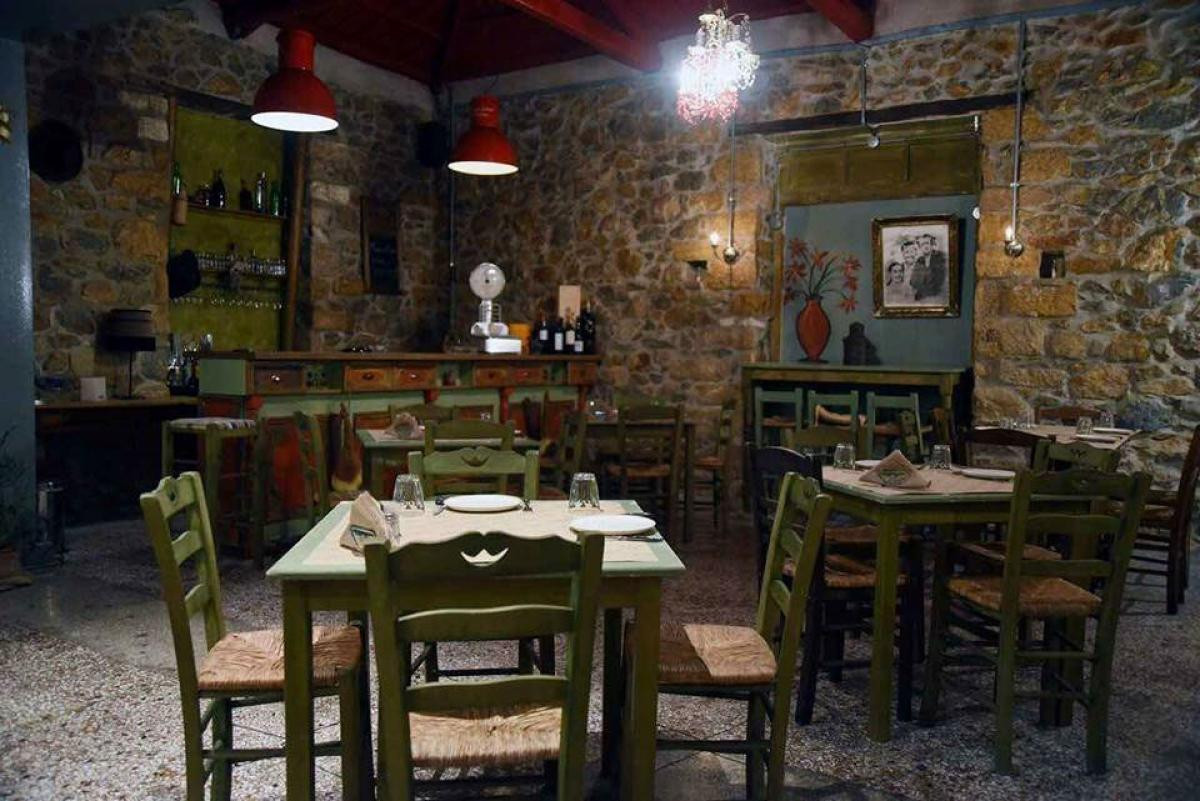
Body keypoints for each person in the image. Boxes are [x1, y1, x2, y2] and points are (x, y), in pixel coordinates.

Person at [911, 233, 947, 302]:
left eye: (927, 243)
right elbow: (914, 282)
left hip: (937, 295)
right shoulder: (920, 260)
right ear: (919, 247)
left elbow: (940, 280)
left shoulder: (940, 257)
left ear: (931, 244)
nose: (925, 246)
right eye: (922, 244)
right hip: (922, 296)